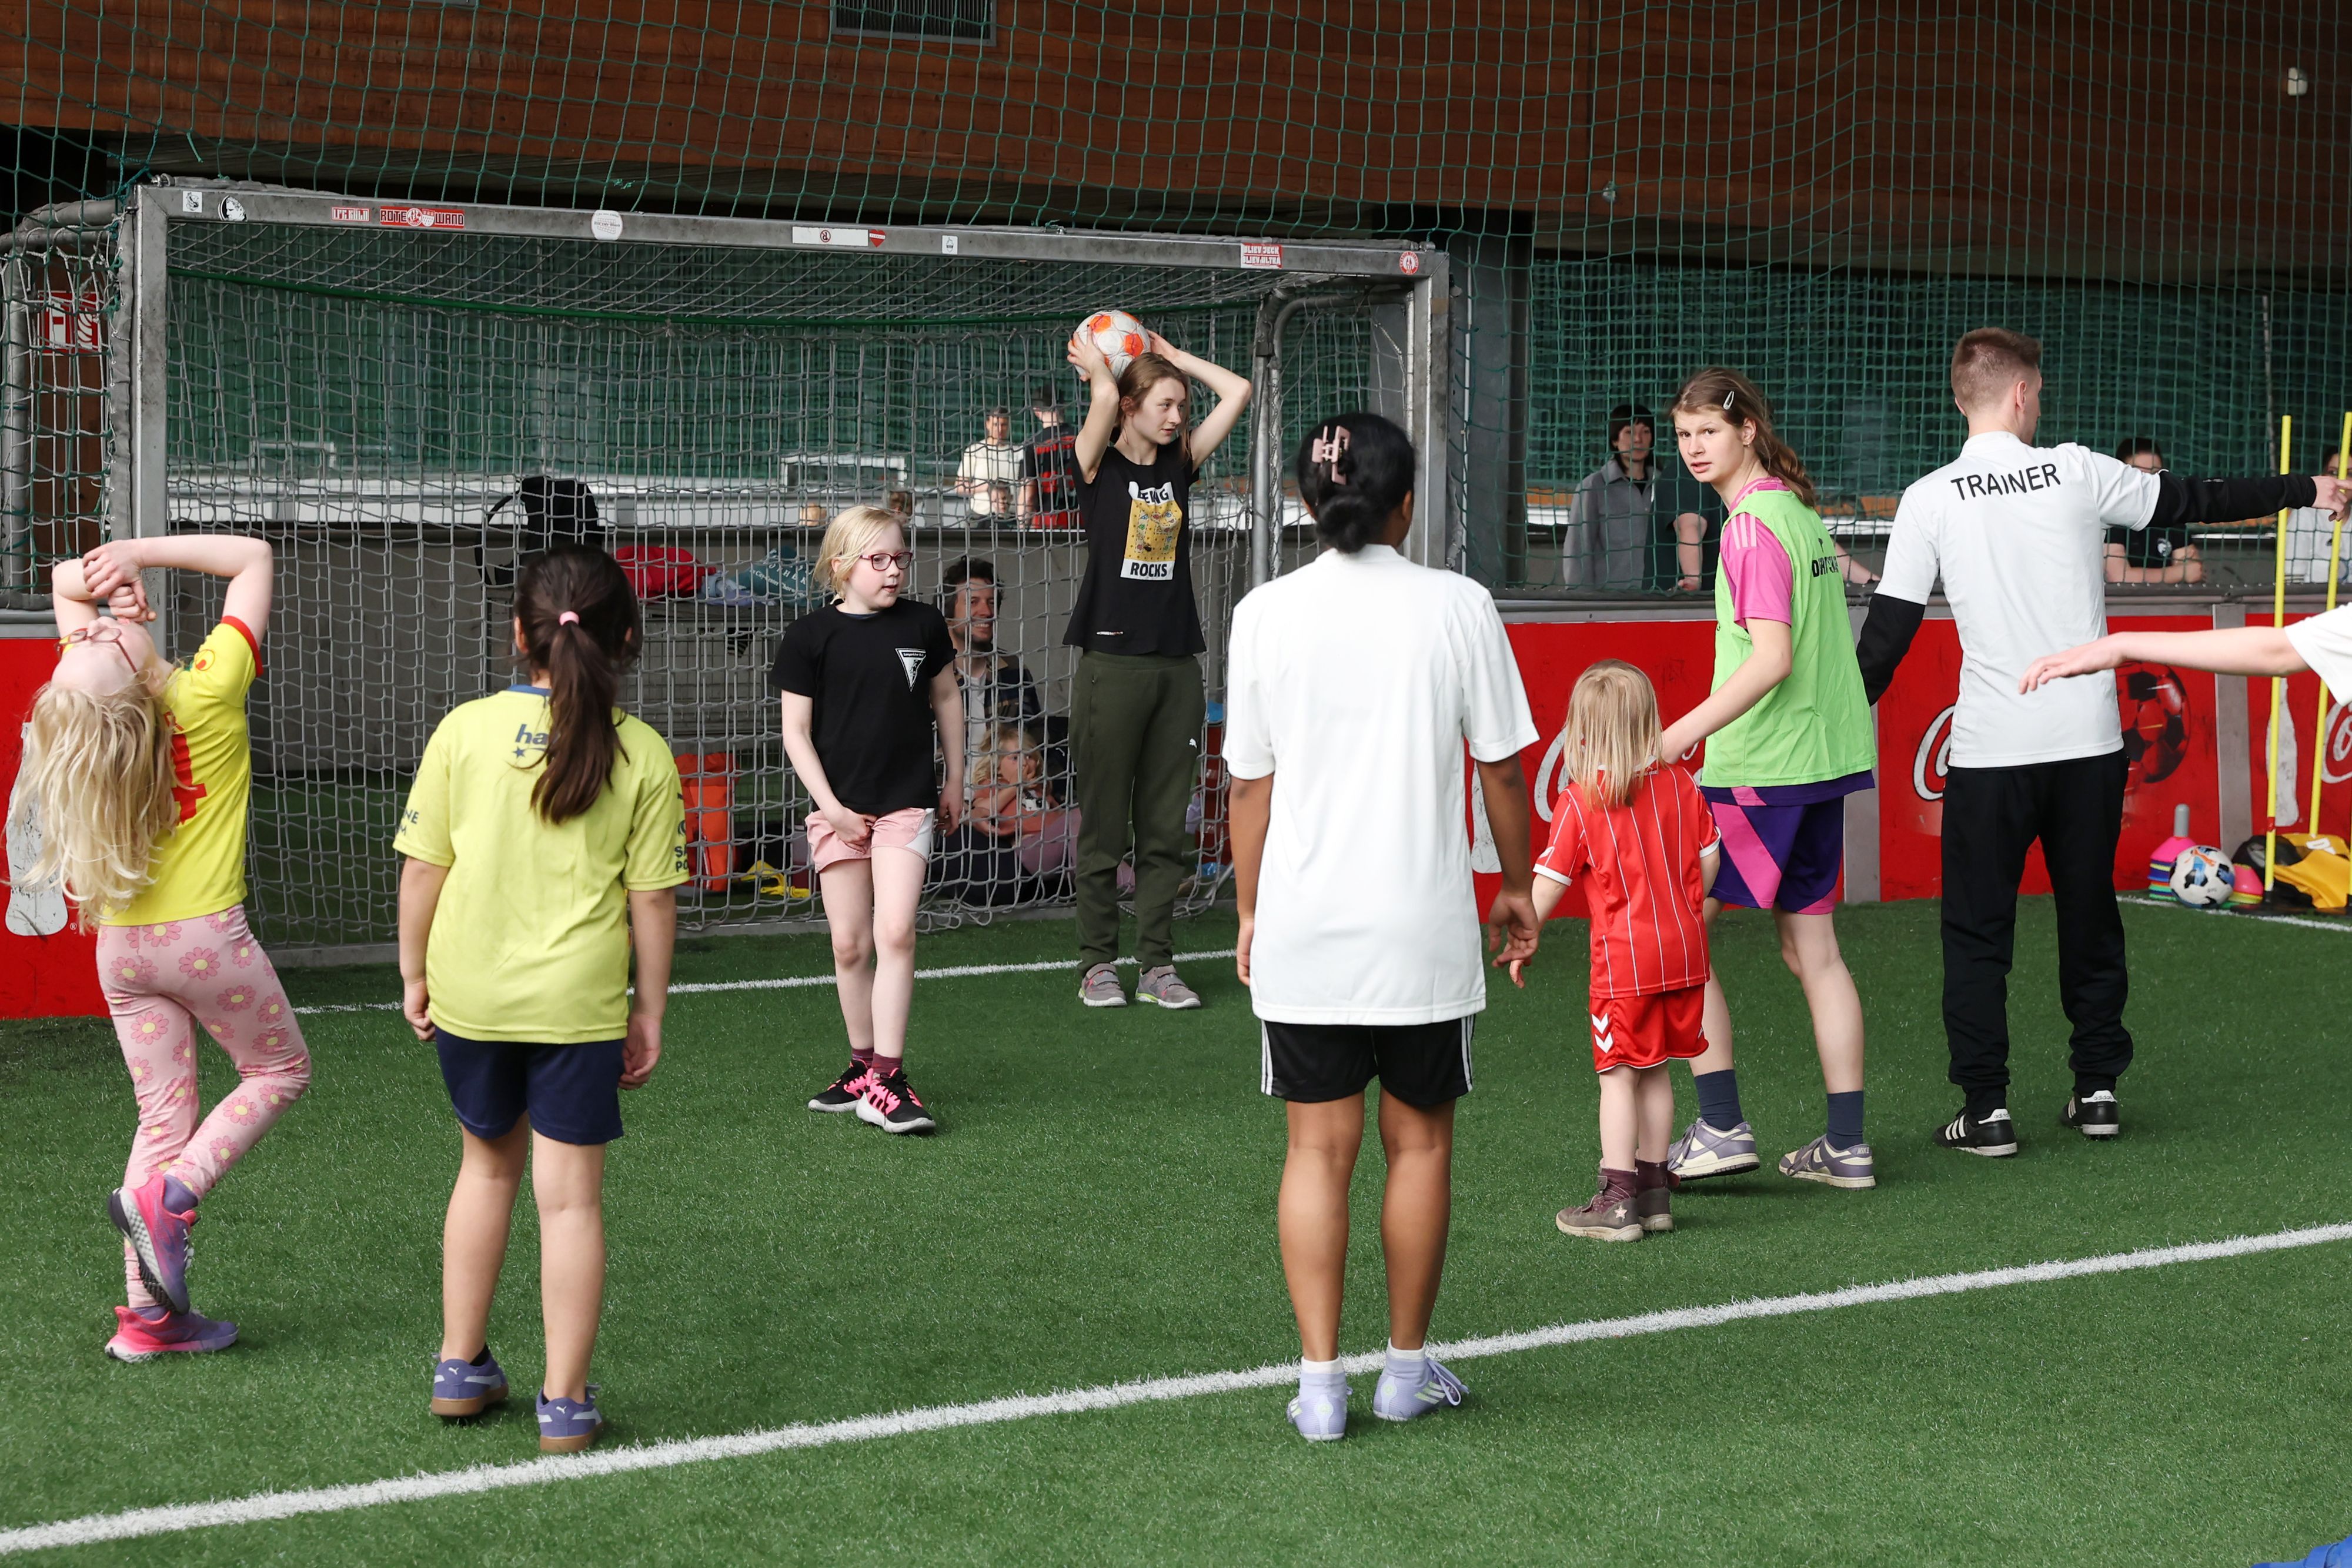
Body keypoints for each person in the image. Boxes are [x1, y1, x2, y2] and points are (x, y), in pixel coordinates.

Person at [1853, 327, 2348, 1153]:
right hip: (2087, 745)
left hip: (1990, 750)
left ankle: (1987, 1110)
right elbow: (2199, 498)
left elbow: (1888, 638)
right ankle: (2096, 1089)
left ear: (1961, 397)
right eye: (2037, 392)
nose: (2039, 403)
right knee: (2089, 914)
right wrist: (2307, 486)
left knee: (1978, 931)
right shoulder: (2077, 468)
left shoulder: (1928, 496)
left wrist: (1822, 727)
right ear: (2019, 394)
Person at [1227, 411, 1540, 1442]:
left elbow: (1250, 792)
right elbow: (1502, 767)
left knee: (1317, 1151)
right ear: (1407, 503)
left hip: (1306, 925)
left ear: (1305, 505)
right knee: (1421, 1145)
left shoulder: (1263, 612)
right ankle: (1403, 1375)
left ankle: (1321, 1389)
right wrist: (1516, 884)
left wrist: (1249, 909)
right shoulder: (1460, 604)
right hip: (1423, 927)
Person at [395, 545, 686, 1453]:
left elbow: (421, 872)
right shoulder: (643, 751)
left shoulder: (464, 729)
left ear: (517, 632)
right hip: (576, 1005)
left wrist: (414, 972)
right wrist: (650, 1011)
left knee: (484, 1167)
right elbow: (652, 900)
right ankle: (564, 1402)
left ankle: (459, 1364)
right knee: (570, 1204)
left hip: (471, 992)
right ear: (627, 638)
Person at [15, 533, 310, 1363]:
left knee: (161, 1117)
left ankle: (149, 1319)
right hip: (206, 939)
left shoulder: (96, 718)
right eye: (102, 630)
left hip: (124, 953)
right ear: (137, 672)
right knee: (279, 1071)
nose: (103, 621)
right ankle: (178, 1197)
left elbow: (63, 581)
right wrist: (138, 552)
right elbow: (252, 557)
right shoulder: (206, 692)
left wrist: (110, 578)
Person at [1650, 370, 1880, 1190]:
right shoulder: (1798, 515)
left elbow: (1773, 658)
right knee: (1812, 948)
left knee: (1679, 933)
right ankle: (1845, 1143)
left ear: (1748, 428)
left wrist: (1672, 736)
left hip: (1763, 771)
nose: (1693, 449)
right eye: (1683, 436)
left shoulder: (1750, 528)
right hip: (1821, 764)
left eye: (1707, 431)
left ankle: (1719, 1124)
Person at [1062, 325, 1251, 1010]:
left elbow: (1238, 390)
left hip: (1177, 669)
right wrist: (1105, 375)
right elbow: (1105, 401)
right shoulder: (1094, 466)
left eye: (1181, 407)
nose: (1179, 417)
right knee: (1106, 825)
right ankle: (1096, 964)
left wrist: (1173, 361)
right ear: (1131, 407)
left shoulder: (1181, 465)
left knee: (1166, 827)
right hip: (1111, 666)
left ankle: (1158, 967)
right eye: (1165, 405)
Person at [1515, 660, 1721, 1239]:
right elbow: (1710, 860)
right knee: (1656, 1071)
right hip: (1684, 957)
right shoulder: (1682, 784)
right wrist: (1684, 908)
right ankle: (1655, 1193)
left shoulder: (1581, 801)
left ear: (1582, 732)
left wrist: (1523, 936)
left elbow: (1550, 883)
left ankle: (1618, 1199)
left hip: (1624, 966)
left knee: (1617, 1077)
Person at [778, 506, 962, 1131]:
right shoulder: (808, 637)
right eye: (877, 560)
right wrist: (832, 810)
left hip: (906, 804)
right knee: (850, 944)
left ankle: (887, 1079)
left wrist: (957, 777)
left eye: (900, 559)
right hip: (839, 813)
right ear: (842, 566)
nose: (892, 571)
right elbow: (796, 734)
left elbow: (945, 698)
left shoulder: (924, 623)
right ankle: (861, 1067)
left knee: (896, 933)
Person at [1560, 403, 1717, 591]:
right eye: (1629, 432)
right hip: (1607, 602)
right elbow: (1578, 549)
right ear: (1614, 440)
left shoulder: (1666, 483)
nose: (1638, 439)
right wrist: (1580, 602)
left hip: (1658, 597)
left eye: (1646, 431)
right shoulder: (1593, 487)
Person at [2103, 440, 2199, 584]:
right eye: (2139, 474)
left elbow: (2195, 572)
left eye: (2154, 474)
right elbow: (2119, 577)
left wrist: (2139, 575)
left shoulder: (2172, 517)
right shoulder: (2111, 517)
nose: (2147, 482)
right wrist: (2181, 572)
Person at [1019, 383, 1081, 529]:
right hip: (1080, 520)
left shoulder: (1033, 445)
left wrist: (1022, 527)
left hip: (1047, 522)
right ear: (1064, 406)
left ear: (1036, 411)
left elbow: (1029, 494)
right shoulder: (1081, 437)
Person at [956, 407, 1023, 519]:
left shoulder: (1018, 452)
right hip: (981, 517)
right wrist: (985, 487)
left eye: (1004, 425)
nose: (1000, 429)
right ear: (988, 424)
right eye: (996, 425)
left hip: (1011, 518)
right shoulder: (976, 450)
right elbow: (959, 488)